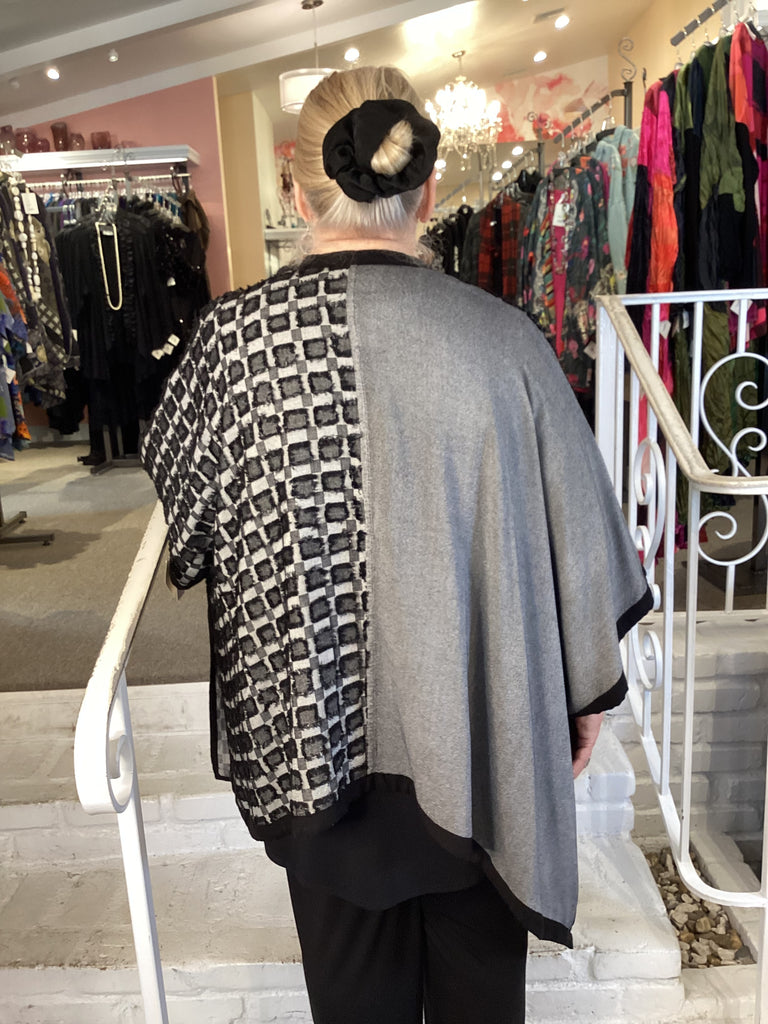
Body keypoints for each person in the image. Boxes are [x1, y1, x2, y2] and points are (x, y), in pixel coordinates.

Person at [141, 65, 652, 1024]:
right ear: (427, 192)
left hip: (313, 745)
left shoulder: (230, 347)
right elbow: (580, 544)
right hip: (478, 748)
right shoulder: (503, 341)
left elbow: (191, 523)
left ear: (298, 193)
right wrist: (581, 695)